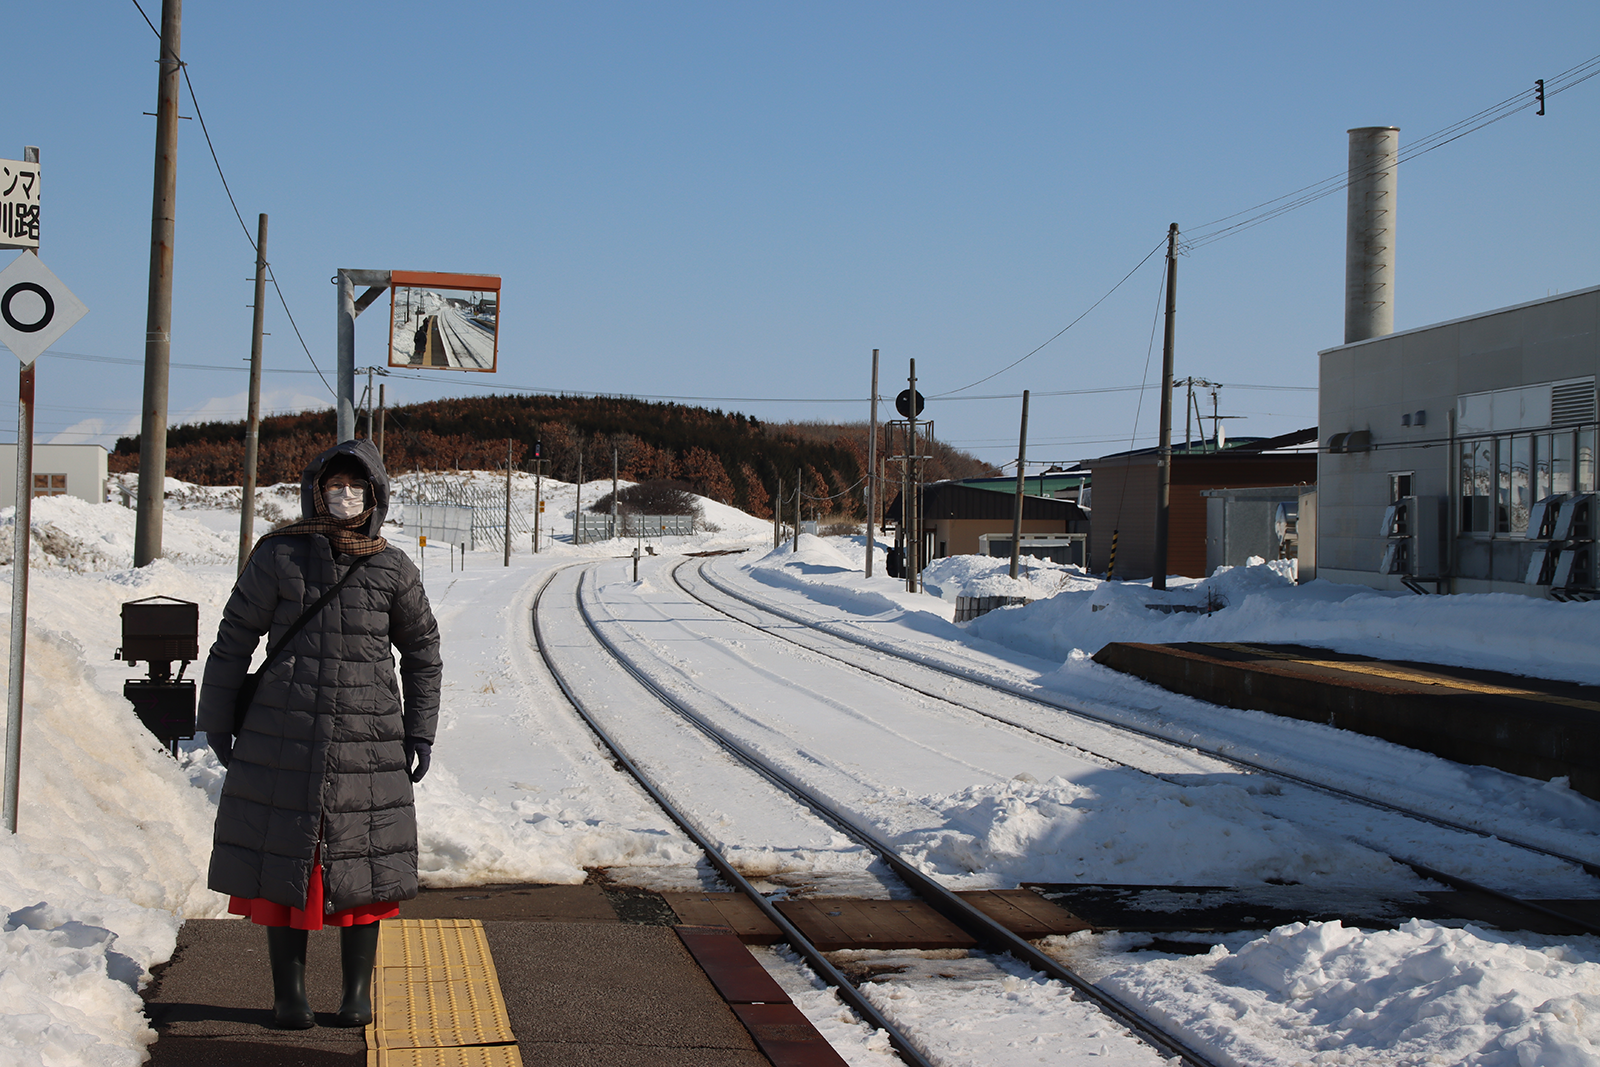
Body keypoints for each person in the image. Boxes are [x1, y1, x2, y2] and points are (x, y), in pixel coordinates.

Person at [197, 439, 441, 1030]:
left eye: (357, 487)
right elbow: (233, 640)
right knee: (287, 862)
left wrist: (420, 730)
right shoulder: (278, 555)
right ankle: (290, 996)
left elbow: (423, 653)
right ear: (315, 490)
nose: (345, 496)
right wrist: (218, 719)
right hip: (283, 734)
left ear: (376, 496)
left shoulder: (392, 567)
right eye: (335, 485)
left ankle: (357, 993)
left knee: (365, 861)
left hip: (369, 740)